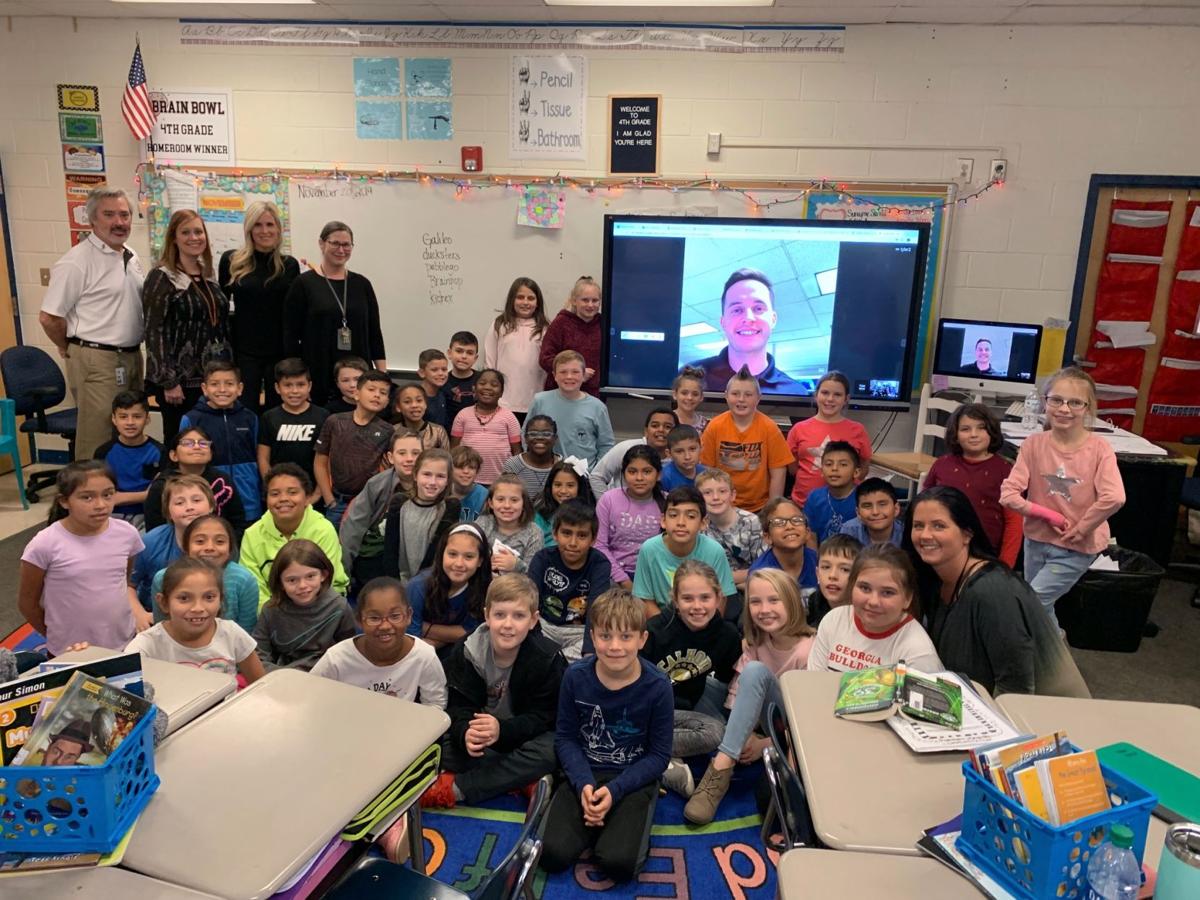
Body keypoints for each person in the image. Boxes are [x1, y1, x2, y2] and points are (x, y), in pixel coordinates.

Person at [540, 588, 673, 883]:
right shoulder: (575, 676)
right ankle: (590, 814)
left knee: (618, 864)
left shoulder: (658, 686)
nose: (615, 646)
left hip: (633, 777)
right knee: (549, 855)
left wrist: (615, 791)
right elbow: (566, 738)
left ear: (642, 639)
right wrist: (584, 784)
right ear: (592, 636)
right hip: (584, 772)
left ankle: (609, 821)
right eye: (605, 636)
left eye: (626, 637)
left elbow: (659, 755)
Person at [905, 486, 1090, 697]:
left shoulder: (992, 589)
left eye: (939, 526)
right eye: (918, 526)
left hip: (1043, 716)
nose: (925, 535)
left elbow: (1016, 688)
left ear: (967, 534)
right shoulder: (935, 581)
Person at [683, 568, 816, 825]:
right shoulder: (756, 640)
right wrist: (745, 734)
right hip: (755, 719)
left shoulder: (809, 649)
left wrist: (763, 744)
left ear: (792, 602)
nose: (764, 609)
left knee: (755, 671)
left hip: (790, 727)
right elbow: (737, 692)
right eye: (756, 602)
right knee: (698, 680)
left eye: (774, 600)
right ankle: (717, 743)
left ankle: (720, 767)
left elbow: (810, 723)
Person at [423, 573, 566, 808]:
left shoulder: (547, 658)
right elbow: (458, 707)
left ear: (533, 620)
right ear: (487, 615)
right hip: (484, 740)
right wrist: (465, 733)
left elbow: (546, 718)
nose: (508, 624)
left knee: (552, 750)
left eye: (519, 616)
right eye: (500, 615)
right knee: (437, 746)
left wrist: (503, 730)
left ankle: (459, 788)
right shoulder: (467, 651)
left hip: (524, 734)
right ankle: (521, 780)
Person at [1000, 367, 1125, 624]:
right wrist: (1047, 515)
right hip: (1037, 540)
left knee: (1031, 604)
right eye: (1056, 400)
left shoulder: (1100, 449)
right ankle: (1054, 658)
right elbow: (1008, 495)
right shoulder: (1034, 444)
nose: (1064, 409)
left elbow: (1114, 497)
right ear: (1045, 402)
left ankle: (1046, 661)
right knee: (1041, 611)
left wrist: (1083, 527)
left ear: (1088, 408)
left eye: (1075, 403)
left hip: (1076, 547)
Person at [39, 186, 145, 459]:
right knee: (97, 436)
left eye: (124, 215)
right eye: (109, 214)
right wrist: (70, 348)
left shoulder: (130, 256)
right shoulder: (77, 261)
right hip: (97, 358)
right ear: (92, 219)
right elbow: (49, 317)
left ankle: (121, 495)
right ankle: (87, 496)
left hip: (131, 356)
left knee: (130, 429)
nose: (119, 222)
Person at [18, 461, 147, 655]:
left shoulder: (127, 534)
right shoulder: (44, 544)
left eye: (108, 495)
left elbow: (122, 579)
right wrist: (55, 637)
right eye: (87, 497)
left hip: (124, 643)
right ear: (64, 501)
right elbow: (28, 603)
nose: (101, 505)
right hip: (69, 650)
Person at [641, 561, 741, 798]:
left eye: (705, 598)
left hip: (688, 710)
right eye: (687, 599)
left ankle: (651, 754)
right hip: (649, 709)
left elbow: (728, 686)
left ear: (718, 598)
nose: (697, 606)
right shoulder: (654, 630)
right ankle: (654, 756)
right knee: (715, 734)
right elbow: (635, 684)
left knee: (723, 733)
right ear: (675, 600)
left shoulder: (727, 635)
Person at [143, 209, 232, 441]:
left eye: (198, 232)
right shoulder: (163, 276)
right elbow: (154, 331)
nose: (194, 237)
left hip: (211, 380)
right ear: (174, 238)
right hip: (179, 384)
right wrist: (168, 381)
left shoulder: (208, 276)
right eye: (186, 232)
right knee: (181, 442)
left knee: (210, 443)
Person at [283, 221, 386, 407]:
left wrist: (382, 377)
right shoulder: (303, 284)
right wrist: (298, 382)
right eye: (335, 243)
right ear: (322, 244)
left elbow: (374, 333)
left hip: (359, 376)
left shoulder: (362, 284)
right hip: (319, 372)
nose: (341, 249)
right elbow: (291, 336)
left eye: (346, 244)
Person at [311, 575, 447, 706]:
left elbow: (435, 704)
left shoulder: (424, 656)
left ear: (408, 616)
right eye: (374, 618)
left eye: (395, 616)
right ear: (359, 620)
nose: (385, 626)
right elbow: (310, 695)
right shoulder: (337, 658)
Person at [218, 200, 301, 413]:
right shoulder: (231, 261)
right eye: (258, 225)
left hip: (279, 353)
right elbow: (221, 308)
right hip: (244, 353)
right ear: (249, 229)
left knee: (277, 413)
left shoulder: (289, 265)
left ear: (278, 229)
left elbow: (293, 315)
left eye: (270, 225)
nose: (264, 231)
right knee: (244, 411)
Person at [806, 544, 942, 673]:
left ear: (907, 598)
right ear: (852, 586)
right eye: (865, 588)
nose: (873, 601)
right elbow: (814, 682)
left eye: (887, 592)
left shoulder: (919, 653)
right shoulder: (833, 620)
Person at [127, 557, 265, 682]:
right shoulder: (148, 644)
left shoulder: (231, 633)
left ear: (220, 600)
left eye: (209, 597)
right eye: (184, 598)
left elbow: (260, 686)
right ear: (163, 603)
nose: (198, 608)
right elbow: (120, 688)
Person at [924, 403, 1022, 567]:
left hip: (985, 554)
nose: (974, 435)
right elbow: (923, 506)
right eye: (965, 429)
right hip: (941, 549)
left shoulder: (1005, 470)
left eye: (981, 428)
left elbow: (1014, 522)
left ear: (992, 431)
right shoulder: (942, 465)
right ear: (955, 434)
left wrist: (1006, 565)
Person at [240, 463, 349, 609]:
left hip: (322, 605)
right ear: (266, 499)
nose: (283, 498)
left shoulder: (323, 529)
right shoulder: (252, 534)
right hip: (273, 611)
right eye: (275, 494)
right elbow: (254, 588)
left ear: (308, 498)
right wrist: (274, 616)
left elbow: (328, 580)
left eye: (292, 492)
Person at [632, 486, 737, 621]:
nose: (681, 523)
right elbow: (645, 600)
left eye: (691, 516)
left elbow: (721, 599)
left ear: (703, 523)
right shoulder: (649, 549)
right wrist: (667, 632)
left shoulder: (714, 551)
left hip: (704, 620)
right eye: (673, 515)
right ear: (663, 520)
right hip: (663, 624)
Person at [686, 269, 800, 393]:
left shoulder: (796, 391)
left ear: (773, 319)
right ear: (723, 322)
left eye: (758, 308)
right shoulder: (689, 378)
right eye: (737, 310)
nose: (748, 318)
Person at [699, 366, 792, 514]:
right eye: (735, 394)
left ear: (758, 398)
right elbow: (706, 470)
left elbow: (778, 473)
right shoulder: (714, 427)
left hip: (759, 508)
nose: (741, 399)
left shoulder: (770, 428)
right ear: (726, 396)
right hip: (721, 505)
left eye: (748, 394)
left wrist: (772, 510)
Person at [253, 539, 356, 671]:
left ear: (323, 575)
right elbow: (258, 657)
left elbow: (348, 654)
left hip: (326, 676)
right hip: (282, 679)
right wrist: (284, 676)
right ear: (280, 583)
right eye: (292, 580)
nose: (302, 585)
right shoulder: (270, 610)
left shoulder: (339, 607)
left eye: (310, 576)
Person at [527, 500, 611, 661]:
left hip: (579, 631)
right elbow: (529, 603)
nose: (573, 543)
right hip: (544, 626)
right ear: (555, 534)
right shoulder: (542, 558)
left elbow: (596, 611)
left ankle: (552, 664)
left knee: (598, 649)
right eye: (566, 533)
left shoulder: (600, 564)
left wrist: (588, 652)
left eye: (582, 535)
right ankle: (554, 664)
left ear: (593, 539)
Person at [180, 360, 262, 520]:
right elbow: (185, 461)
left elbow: (258, 455)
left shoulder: (250, 418)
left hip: (248, 500)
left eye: (229, 384)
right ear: (204, 388)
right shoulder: (191, 419)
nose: (222, 390)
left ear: (240, 388)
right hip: (208, 500)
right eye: (215, 384)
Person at [149, 515, 259, 632]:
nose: (209, 547)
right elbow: (161, 628)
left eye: (220, 542)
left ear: (230, 548)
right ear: (186, 547)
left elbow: (246, 634)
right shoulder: (163, 578)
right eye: (200, 541)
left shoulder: (244, 580)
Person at [313, 369, 393, 529]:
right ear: (356, 394)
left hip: (368, 503)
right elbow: (320, 462)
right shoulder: (335, 422)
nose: (377, 395)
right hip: (337, 502)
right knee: (332, 550)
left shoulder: (387, 431)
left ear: (387, 401)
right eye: (371, 389)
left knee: (363, 550)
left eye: (383, 392)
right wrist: (329, 499)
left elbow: (388, 470)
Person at [339, 430, 422, 576]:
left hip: (414, 555)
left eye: (416, 453)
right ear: (390, 457)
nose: (409, 459)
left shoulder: (432, 485)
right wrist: (344, 572)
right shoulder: (376, 485)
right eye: (402, 453)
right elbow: (353, 528)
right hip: (377, 553)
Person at [786, 371, 872, 506]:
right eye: (825, 393)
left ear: (846, 399)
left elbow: (863, 467)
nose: (830, 399)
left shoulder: (858, 430)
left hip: (846, 505)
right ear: (816, 395)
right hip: (803, 504)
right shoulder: (798, 429)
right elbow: (793, 468)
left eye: (837, 394)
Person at [132, 474, 215, 611]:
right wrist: (139, 614)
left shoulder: (222, 540)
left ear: (211, 506)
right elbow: (129, 584)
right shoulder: (150, 541)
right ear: (168, 512)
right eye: (179, 503)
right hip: (153, 613)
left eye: (196, 500)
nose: (189, 507)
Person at [406, 523, 493, 651]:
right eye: (452, 554)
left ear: (480, 561)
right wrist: (450, 635)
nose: (459, 563)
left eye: (469, 557)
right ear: (442, 554)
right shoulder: (418, 586)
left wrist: (426, 630)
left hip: (456, 651)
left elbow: (471, 632)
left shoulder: (484, 588)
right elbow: (411, 634)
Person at [144, 425, 245, 534]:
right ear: (174, 455)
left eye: (203, 443)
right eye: (187, 443)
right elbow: (154, 528)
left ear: (211, 453)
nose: (197, 447)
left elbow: (237, 520)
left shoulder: (223, 479)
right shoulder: (162, 485)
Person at [383, 448, 461, 584]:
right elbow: (390, 551)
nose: (432, 482)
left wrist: (420, 585)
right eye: (427, 474)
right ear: (415, 475)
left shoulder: (450, 506)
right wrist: (395, 585)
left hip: (432, 581)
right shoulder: (399, 503)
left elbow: (437, 551)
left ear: (448, 480)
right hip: (401, 582)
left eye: (440, 476)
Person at [594, 445, 667, 590]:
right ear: (624, 473)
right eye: (632, 472)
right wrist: (624, 581)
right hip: (613, 576)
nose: (639, 478)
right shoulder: (609, 499)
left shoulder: (668, 503)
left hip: (656, 577)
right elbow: (599, 545)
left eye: (647, 472)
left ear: (658, 475)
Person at [526, 350, 615, 466]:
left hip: (585, 477)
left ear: (583, 375)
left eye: (575, 372)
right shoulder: (540, 401)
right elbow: (526, 435)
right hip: (547, 474)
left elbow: (606, 445)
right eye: (563, 372)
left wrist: (595, 474)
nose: (569, 377)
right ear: (554, 376)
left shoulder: (598, 407)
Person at [93, 389, 163, 527]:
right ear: (114, 419)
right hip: (111, 514)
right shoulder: (103, 452)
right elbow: (100, 491)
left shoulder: (160, 451)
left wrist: (119, 498)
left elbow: (159, 493)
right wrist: (144, 494)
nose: (130, 422)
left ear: (147, 419)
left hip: (147, 514)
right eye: (123, 417)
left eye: (137, 416)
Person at [257, 358, 330, 487]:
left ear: (309, 386)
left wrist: (319, 493)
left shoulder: (323, 416)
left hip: (315, 491)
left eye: (300, 384)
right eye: (288, 385)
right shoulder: (268, 417)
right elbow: (263, 459)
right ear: (277, 388)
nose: (294, 391)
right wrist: (273, 488)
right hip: (279, 490)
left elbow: (329, 459)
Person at [484, 276, 550, 418]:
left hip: (534, 401)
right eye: (520, 297)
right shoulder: (500, 325)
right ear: (512, 300)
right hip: (503, 402)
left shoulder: (544, 328)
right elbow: (490, 362)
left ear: (538, 302)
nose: (525, 302)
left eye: (531, 298)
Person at [451, 368, 522, 486]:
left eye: (494, 385)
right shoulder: (463, 415)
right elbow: (454, 449)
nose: (487, 387)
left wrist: (513, 477)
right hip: (467, 480)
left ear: (501, 392)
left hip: (500, 482)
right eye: (482, 383)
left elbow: (517, 451)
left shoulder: (509, 417)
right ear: (474, 388)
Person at [697, 468, 763, 590]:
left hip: (751, 586)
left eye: (722, 491)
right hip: (712, 589)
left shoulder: (752, 522)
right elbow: (700, 572)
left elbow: (763, 567)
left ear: (732, 495)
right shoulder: (698, 526)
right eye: (707, 493)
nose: (715, 497)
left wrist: (731, 581)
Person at [539, 275, 603, 397]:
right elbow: (545, 358)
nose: (590, 305)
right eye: (585, 300)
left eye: (594, 300)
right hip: (559, 393)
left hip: (592, 395)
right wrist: (574, 373)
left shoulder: (603, 324)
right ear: (574, 301)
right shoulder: (561, 323)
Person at [589, 408, 677, 497]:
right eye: (655, 426)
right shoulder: (626, 448)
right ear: (646, 431)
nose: (661, 430)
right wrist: (607, 505)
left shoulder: (679, 458)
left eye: (668, 427)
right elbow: (596, 477)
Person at [475, 474, 543, 575]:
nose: (507, 506)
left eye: (514, 500)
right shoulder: (482, 524)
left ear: (523, 503)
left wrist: (516, 565)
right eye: (500, 499)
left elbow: (535, 574)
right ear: (491, 503)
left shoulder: (534, 533)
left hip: (518, 588)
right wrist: (486, 563)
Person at [749, 498, 818, 592]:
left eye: (797, 520)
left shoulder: (820, 562)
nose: (790, 526)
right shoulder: (760, 573)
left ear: (807, 532)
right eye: (779, 522)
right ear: (767, 537)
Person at [802, 441, 861, 544]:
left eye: (843, 464)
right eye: (828, 464)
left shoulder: (863, 498)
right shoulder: (815, 497)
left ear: (856, 472)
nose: (834, 469)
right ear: (821, 471)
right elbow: (811, 537)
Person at [535, 457, 596, 546]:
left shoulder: (590, 513)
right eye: (557, 485)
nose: (563, 490)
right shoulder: (541, 513)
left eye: (570, 485)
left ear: (580, 487)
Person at [502, 413, 560, 499]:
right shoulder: (513, 465)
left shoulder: (563, 466)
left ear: (555, 438)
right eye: (533, 434)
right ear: (525, 438)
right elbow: (505, 497)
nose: (540, 437)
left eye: (546, 434)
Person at [811, 533, 863, 626]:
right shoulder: (814, 603)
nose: (832, 575)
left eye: (845, 569)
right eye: (826, 567)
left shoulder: (866, 612)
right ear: (817, 574)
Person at [839, 477, 904, 547]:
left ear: (896, 509)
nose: (875, 512)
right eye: (867, 506)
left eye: (882, 504)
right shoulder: (849, 531)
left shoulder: (905, 534)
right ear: (858, 513)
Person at [392, 383, 450, 450]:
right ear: (398, 407)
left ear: (425, 404)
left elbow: (446, 458)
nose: (414, 405)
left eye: (419, 400)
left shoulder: (438, 432)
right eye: (407, 402)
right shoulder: (392, 431)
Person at [444, 331, 481, 425]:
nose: (464, 356)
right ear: (449, 353)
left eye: (469, 353)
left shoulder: (483, 380)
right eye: (459, 351)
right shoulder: (442, 381)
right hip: (450, 433)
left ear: (475, 358)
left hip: (478, 432)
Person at [659, 424, 706, 492]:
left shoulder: (705, 474)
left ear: (701, 448)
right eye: (679, 451)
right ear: (669, 454)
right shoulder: (664, 477)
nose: (687, 457)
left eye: (692, 449)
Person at [450, 445, 489, 522]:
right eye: (460, 467)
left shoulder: (484, 496)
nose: (466, 471)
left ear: (477, 471)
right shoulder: (442, 492)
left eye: (471, 467)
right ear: (450, 469)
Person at [417, 348, 451, 429]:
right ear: (422, 373)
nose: (441, 373)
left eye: (444, 369)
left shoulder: (444, 394)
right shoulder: (416, 397)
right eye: (434, 370)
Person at [672, 366, 709, 435]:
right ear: (675, 394)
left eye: (695, 394)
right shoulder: (666, 421)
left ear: (701, 397)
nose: (689, 398)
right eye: (684, 393)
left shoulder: (706, 425)